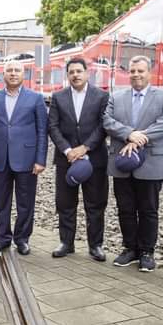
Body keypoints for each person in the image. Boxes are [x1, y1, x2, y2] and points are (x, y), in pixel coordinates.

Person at [103, 55, 163, 272]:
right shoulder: (116, 97)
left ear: (149, 73)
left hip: (152, 161)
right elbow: (107, 121)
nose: (136, 75)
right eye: (133, 71)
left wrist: (139, 137)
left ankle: (147, 252)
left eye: (140, 71)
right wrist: (129, 134)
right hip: (121, 162)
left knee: (148, 209)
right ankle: (130, 249)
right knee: (125, 208)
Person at [47, 58, 110, 261]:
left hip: (94, 159)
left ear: (86, 73)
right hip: (67, 160)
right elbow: (53, 126)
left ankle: (96, 245)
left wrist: (84, 148)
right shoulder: (58, 97)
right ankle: (67, 242)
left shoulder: (101, 96)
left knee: (95, 204)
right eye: (71, 72)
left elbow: (103, 126)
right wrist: (67, 150)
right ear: (68, 75)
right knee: (65, 203)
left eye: (79, 71)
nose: (75, 75)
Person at [0, 60, 47, 255]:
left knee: (25, 202)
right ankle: (3, 238)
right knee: (2, 202)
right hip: (0, 158)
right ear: (3, 75)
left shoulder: (36, 98)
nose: (13, 73)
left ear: (23, 74)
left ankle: (22, 239)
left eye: (17, 70)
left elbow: (42, 131)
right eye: (9, 70)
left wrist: (40, 159)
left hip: (27, 159)